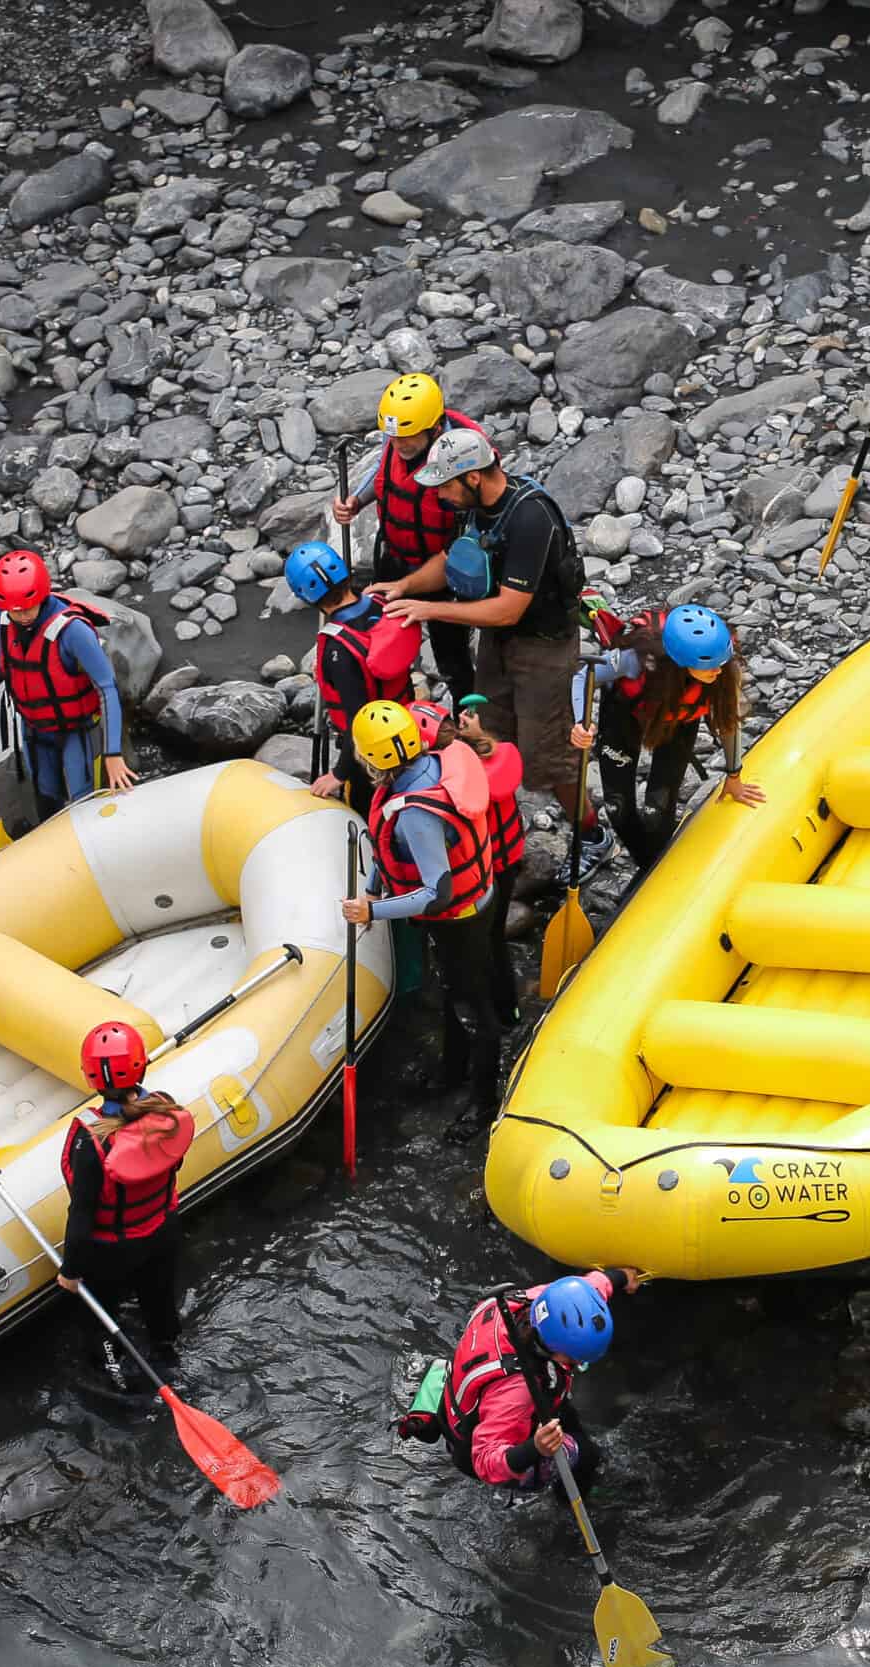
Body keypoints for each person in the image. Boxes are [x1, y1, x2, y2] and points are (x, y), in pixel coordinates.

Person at [372, 426, 613, 883]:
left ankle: (593, 836)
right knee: (489, 733)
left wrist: (429, 609)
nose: (440, 495)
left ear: (474, 478)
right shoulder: (474, 509)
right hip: (500, 642)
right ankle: (499, 834)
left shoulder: (530, 518)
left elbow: (508, 608)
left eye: (446, 484)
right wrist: (404, 587)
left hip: (542, 646)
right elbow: (449, 559)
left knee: (550, 757)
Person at [343, 701, 501, 1140]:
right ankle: (452, 1070)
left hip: (460, 916)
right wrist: (374, 884)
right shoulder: (420, 768)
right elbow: (383, 842)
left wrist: (371, 910)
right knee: (454, 991)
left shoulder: (415, 812)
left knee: (473, 1010)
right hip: (467, 905)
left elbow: (437, 894)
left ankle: (484, 1104)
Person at [395, 1268, 645, 1496]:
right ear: (554, 1347)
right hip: (479, 1450)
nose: (576, 1365)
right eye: (574, 1360)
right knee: (584, 1455)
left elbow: (589, 1288)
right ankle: (569, 1502)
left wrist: (622, 1277)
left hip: (476, 1405)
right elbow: (485, 1461)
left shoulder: (535, 1301)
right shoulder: (519, 1391)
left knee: (568, 1419)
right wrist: (535, 1448)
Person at [572, 603, 767, 872]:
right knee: (618, 809)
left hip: (678, 722)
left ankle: (658, 869)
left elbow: (727, 723)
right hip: (626, 716)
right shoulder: (637, 659)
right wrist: (580, 724)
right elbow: (583, 677)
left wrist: (734, 777)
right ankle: (650, 866)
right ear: (682, 660)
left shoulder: (722, 671)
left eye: (721, 663)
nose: (718, 671)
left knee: (658, 811)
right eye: (711, 666)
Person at [329, 373, 485, 703]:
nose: (400, 445)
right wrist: (356, 500)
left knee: (451, 657)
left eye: (409, 437)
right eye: (394, 437)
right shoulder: (399, 438)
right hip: (394, 557)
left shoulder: (461, 457)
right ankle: (390, 712)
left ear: (435, 427)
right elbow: (385, 475)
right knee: (383, 639)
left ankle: (467, 722)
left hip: (445, 575)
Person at [59, 1020, 196, 1389]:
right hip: (162, 1231)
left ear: (91, 1078)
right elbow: (174, 1163)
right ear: (141, 1066)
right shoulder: (165, 1111)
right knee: (159, 1300)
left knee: (99, 1318)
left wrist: (70, 1272)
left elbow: (82, 1215)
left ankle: (112, 1373)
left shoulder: (91, 1140)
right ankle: (166, 1351)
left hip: (112, 1251)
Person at [0, 549, 137, 822]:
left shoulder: (73, 630)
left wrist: (112, 753)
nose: (21, 617)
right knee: (45, 792)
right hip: (33, 726)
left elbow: (107, 687)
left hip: (75, 730)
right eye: (14, 611)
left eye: (28, 609)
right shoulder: (3, 618)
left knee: (81, 795)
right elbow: (5, 656)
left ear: (42, 595)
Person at [409, 697, 522, 1031]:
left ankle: (490, 1016)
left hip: (482, 877)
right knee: (496, 941)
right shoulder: (495, 754)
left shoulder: (450, 784)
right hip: (506, 865)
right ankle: (511, 1013)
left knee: (480, 952)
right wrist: (478, 734)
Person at [285, 540, 423, 808]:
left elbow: (358, 721)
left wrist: (339, 774)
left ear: (305, 596)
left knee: (365, 809)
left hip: (371, 755)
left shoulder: (339, 649)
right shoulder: (383, 603)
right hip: (407, 727)